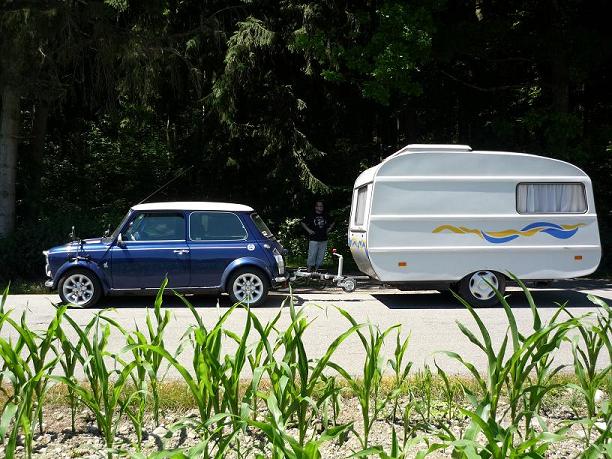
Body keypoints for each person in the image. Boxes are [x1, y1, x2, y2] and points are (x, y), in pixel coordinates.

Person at [301, 201, 335, 271]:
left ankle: (316, 270)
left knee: (321, 256)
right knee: (312, 254)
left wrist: (329, 228)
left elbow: (333, 221)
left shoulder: (326, 215)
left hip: (323, 238)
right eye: (319, 206)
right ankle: (309, 270)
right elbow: (302, 222)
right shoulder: (311, 215)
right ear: (316, 207)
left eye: (322, 206)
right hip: (314, 238)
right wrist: (309, 230)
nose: (321, 207)